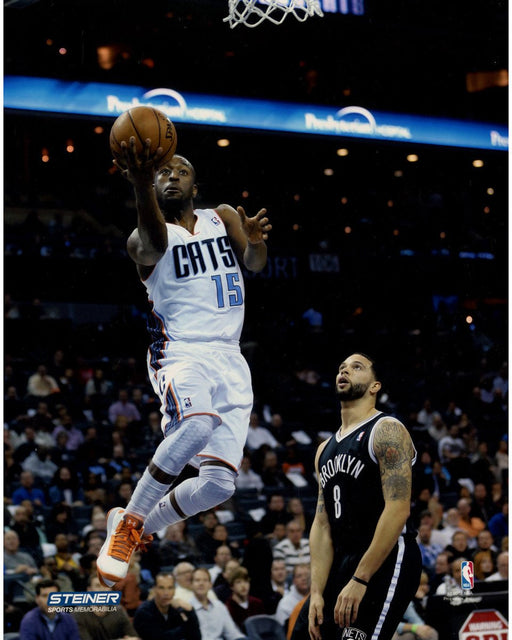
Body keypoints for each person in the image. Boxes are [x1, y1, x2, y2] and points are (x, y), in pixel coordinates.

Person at [97, 147, 271, 588]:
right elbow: (152, 240)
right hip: (181, 352)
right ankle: (129, 522)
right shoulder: (144, 239)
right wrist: (140, 183)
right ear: (151, 187)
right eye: (162, 174)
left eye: (182, 171)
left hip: (231, 357)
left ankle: (138, 526)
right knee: (194, 425)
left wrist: (255, 242)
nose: (172, 176)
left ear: (196, 184)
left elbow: (254, 264)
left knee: (219, 487)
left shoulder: (223, 216)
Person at [298, 353, 422, 640]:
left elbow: (398, 509)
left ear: (375, 385)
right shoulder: (324, 449)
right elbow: (322, 524)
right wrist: (316, 592)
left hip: (387, 556)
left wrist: (360, 578)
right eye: (342, 367)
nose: (345, 371)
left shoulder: (387, 430)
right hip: (344, 558)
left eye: (357, 367)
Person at [133, 572, 201, 640]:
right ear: (154, 590)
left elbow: (196, 637)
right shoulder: (144, 612)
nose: (166, 593)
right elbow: (159, 638)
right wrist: (187, 628)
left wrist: (190, 611)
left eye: (170, 588)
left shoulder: (176, 609)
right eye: (161, 588)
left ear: (174, 590)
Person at [72, 574, 139, 640]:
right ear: (89, 590)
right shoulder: (79, 613)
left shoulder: (119, 610)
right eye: (98, 586)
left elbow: (134, 637)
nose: (102, 589)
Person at [190, 567, 247, 639]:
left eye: (205, 580)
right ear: (191, 585)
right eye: (197, 580)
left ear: (210, 585)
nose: (201, 583)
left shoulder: (219, 606)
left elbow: (232, 633)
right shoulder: (188, 609)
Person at [225, 566, 265, 632]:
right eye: (238, 582)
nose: (243, 585)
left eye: (246, 581)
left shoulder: (257, 603)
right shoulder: (228, 608)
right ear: (231, 586)